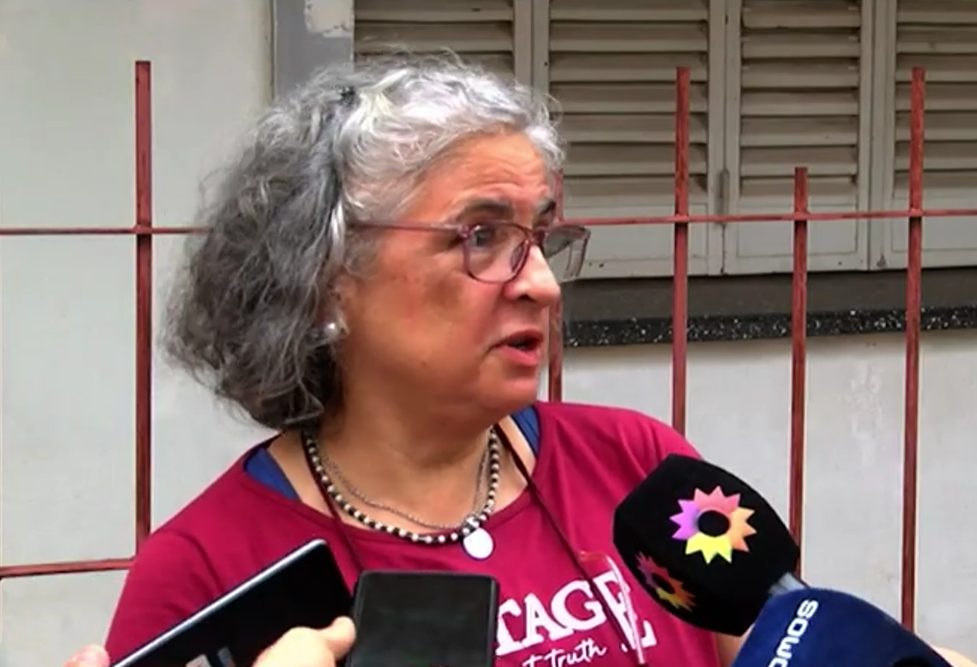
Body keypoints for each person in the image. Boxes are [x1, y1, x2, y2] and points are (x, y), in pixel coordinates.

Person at [60, 53, 974, 667]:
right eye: (481, 235)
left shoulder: (639, 468)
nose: (539, 283)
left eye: (538, 237)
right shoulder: (204, 567)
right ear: (329, 276)